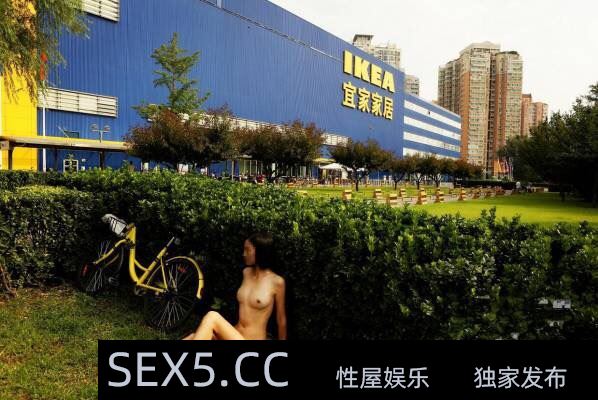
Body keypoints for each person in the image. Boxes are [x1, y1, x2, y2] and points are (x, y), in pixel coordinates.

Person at [183, 232, 287, 340]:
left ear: (260, 252)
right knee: (192, 337)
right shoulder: (246, 273)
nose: (244, 254)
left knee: (212, 317)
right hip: (235, 334)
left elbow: (281, 320)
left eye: (248, 250)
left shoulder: (277, 282)